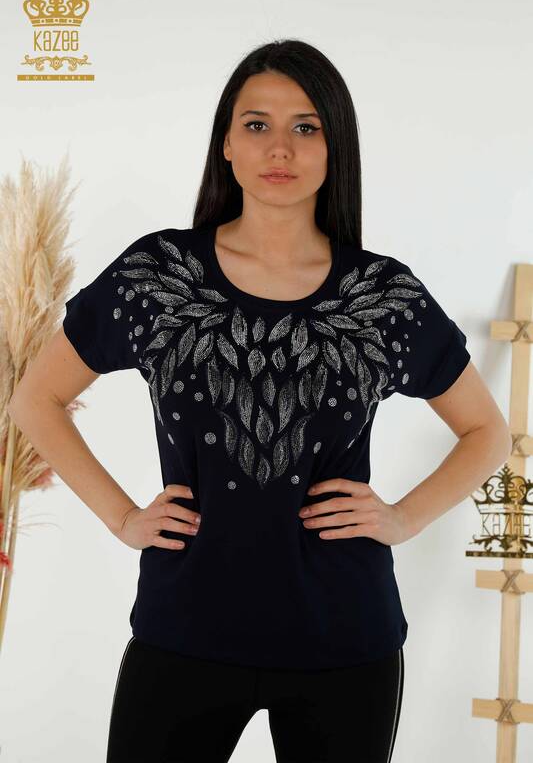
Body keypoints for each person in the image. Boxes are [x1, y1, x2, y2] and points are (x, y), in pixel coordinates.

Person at [8, 39, 512, 763]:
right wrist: (122, 517)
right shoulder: (159, 276)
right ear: (226, 144)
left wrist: (402, 517)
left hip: (345, 639)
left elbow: (486, 431)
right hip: (184, 629)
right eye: (256, 125)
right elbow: (36, 399)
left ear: (335, 147)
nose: (280, 147)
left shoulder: (381, 295)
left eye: (306, 126)